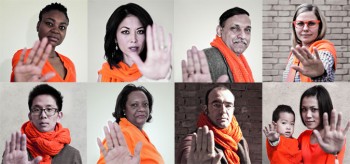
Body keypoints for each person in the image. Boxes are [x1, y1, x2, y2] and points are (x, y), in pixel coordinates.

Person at [2, 84, 82, 164]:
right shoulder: (14, 153)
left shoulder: (72, 155)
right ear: (30, 116)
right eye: (37, 109)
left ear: (59, 116)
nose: (43, 115)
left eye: (49, 109)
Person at [98, 3, 172, 82]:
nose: (133, 39)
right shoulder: (104, 73)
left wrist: (158, 79)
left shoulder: (156, 68)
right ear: (115, 38)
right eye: (126, 32)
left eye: (140, 31)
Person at [176, 86, 250, 164]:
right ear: (205, 109)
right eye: (216, 105)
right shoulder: (194, 141)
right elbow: (188, 156)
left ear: (233, 110)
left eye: (228, 106)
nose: (223, 111)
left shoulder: (239, 139)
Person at [182, 7, 254, 83]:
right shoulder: (206, 58)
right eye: (234, 28)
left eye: (247, 30)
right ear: (219, 31)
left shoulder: (241, 62)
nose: (243, 36)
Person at [97, 84, 164, 163]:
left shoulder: (139, 133)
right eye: (134, 105)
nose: (142, 109)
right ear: (124, 109)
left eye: (145, 104)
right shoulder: (122, 134)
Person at [10, 3, 76, 82]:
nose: (55, 30)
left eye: (62, 27)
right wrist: (21, 85)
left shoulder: (69, 63)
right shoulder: (24, 56)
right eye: (49, 23)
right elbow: (17, 88)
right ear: (38, 26)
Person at [283, 4, 336, 82]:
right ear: (294, 26)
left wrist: (320, 74)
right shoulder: (294, 53)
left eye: (311, 23)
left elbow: (323, 63)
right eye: (300, 23)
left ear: (320, 26)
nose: (305, 29)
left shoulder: (325, 50)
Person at [296, 85, 349, 163]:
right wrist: (274, 142)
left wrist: (335, 153)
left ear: (324, 108)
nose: (308, 115)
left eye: (313, 109)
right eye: (304, 109)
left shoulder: (335, 135)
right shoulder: (303, 136)